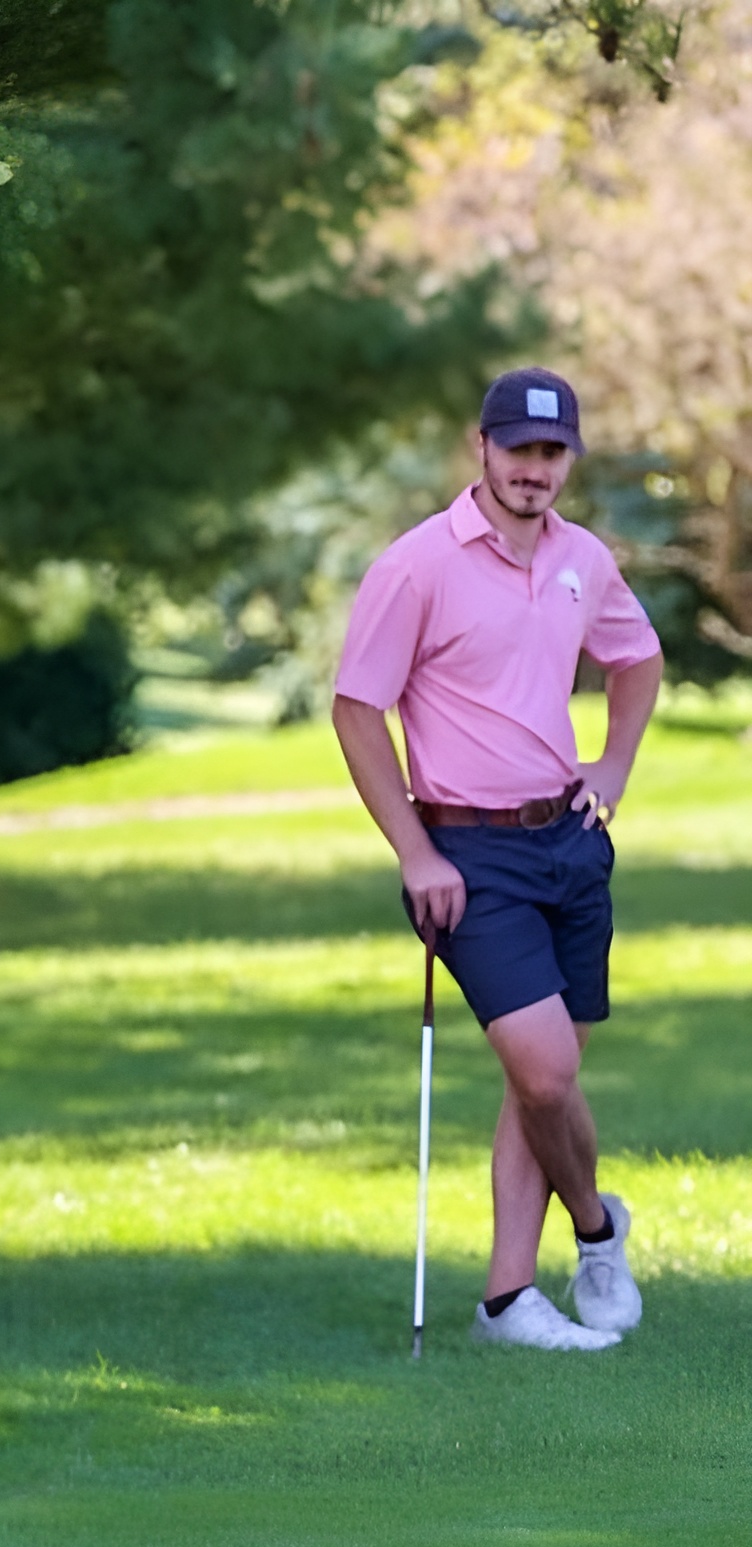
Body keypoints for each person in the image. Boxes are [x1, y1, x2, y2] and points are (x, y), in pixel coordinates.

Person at [333, 368, 660, 1353]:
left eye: (550, 452)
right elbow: (356, 710)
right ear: (480, 449)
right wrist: (414, 853)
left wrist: (610, 763)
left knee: (538, 1087)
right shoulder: (415, 565)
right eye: (516, 449)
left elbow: (634, 660)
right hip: (465, 856)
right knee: (547, 1074)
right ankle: (596, 1233)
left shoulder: (583, 560)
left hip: (567, 843)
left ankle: (507, 1298)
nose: (532, 469)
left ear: (568, 459)